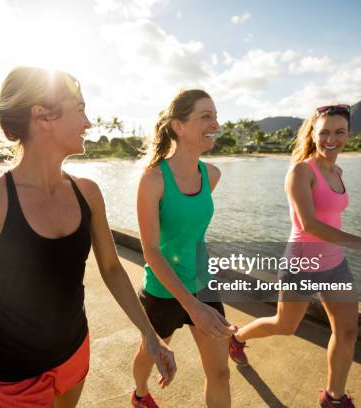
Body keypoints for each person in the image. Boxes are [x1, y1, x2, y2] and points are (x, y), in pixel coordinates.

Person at [0, 67, 176, 408]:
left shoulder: (88, 192)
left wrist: (150, 334)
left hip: (75, 353)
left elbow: (112, 269)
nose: (88, 123)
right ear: (42, 117)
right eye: (80, 110)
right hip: (16, 373)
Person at [228, 104, 361, 408]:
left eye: (339, 132)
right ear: (313, 134)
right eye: (324, 131)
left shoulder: (337, 171)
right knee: (285, 325)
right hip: (303, 263)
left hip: (335, 264)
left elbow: (333, 219)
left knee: (348, 330)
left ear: (349, 135)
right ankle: (236, 338)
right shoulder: (301, 171)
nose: (331, 138)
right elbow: (310, 225)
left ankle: (334, 398)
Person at [131, 89, 235, 408]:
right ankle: (139, 394)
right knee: (149, 356)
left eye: (216, 117)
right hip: (163, 292)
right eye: (206, 116)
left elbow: (196, 236)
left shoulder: (212, 175)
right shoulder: (153, 180)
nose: (215, 124)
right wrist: (191, 305)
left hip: (203, 286)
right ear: (179, 125)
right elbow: (151, 250)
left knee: (220, 374)